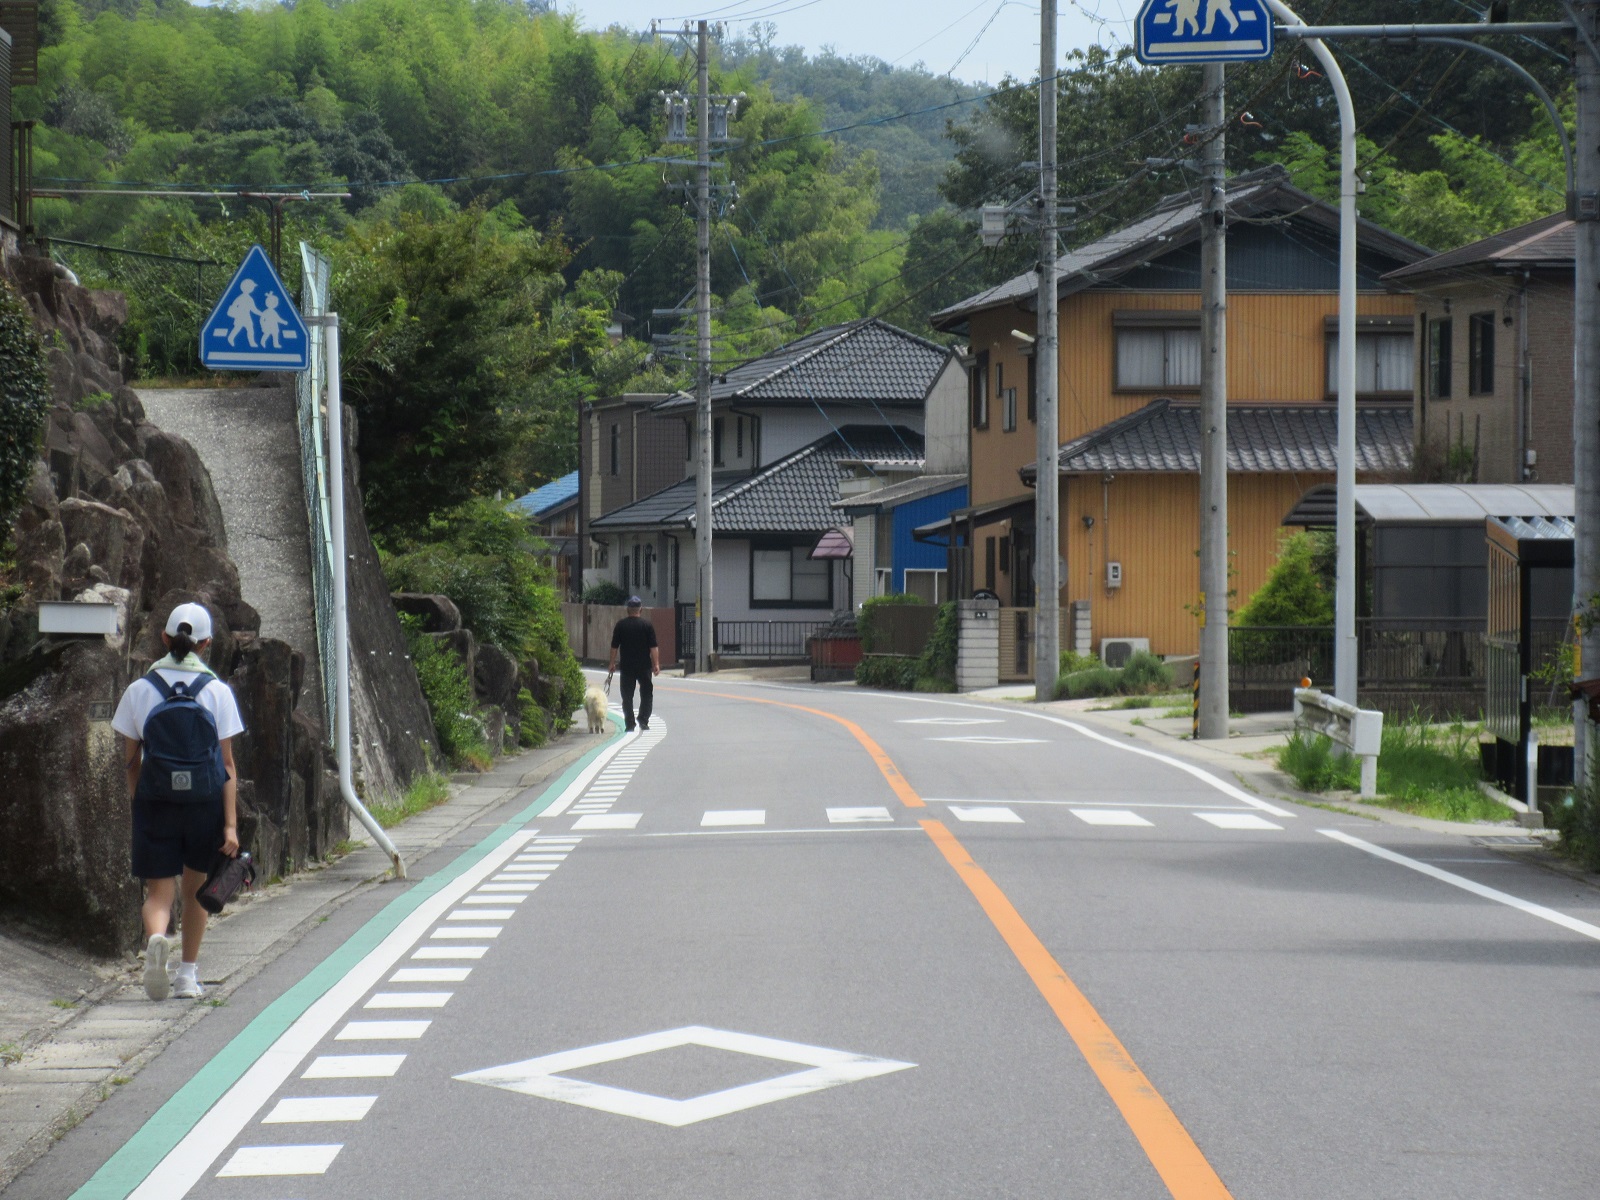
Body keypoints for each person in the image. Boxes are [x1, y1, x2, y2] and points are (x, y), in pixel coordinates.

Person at [112, 603, 244, 1001]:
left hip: (156, 801)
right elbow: (227, 765)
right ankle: (187, 977)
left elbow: (131, 760)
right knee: (195, 890)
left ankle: (156, 939)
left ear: (165, 638)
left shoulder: (139, 690)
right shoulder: (217, 692)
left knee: (158, 893)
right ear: (207, 644)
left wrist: (141, 801)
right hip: (204, 804)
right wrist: (231, 825)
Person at [607, 596, 660, 733]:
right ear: (640, 609)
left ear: (627, 610)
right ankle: (643, 720)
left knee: (627, 696)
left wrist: (612, 663)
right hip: (644, 666)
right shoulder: (647, 625)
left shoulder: (621, 625)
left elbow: (614, 647)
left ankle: (630, 724)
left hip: (627, 666)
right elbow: (653, 647)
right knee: (647, 693)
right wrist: (656, 664)